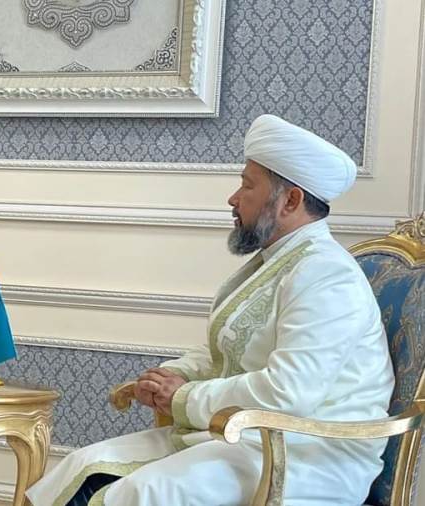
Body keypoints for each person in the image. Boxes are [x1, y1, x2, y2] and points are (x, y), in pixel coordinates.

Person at [26, 114, 394, 506]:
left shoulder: (327, 275)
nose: (234, 199)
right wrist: (175, 374)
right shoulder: (276, 263)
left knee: (142, 492)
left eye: (247, 185)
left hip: (308, 455)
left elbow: (289, 391)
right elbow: (230, 350)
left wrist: (183, 397)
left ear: (290, 200)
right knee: (82, 465)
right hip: (245, 436)